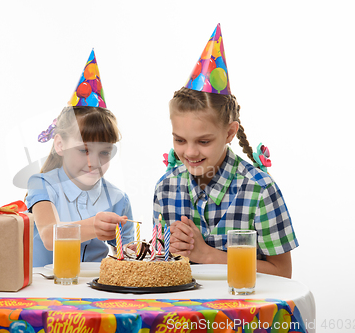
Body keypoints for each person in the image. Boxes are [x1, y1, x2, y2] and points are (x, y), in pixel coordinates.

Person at [153, 24, 298, 278]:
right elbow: (162, 266)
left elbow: (281, 272)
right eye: (180, 140)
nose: (190, 152)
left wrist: (207, 255)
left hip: (246, 313)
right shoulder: (166, 189)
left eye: (204, 141)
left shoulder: (260, 190)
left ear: (230, 133)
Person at [26, 50, 134, 267]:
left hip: (94, 290)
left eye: (104, 152)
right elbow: (49, 236)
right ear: (60, 145)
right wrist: (94, 226)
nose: (94, 162)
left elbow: (128, 255)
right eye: (84, 150)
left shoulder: (118, 199)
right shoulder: (42, 185)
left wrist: (131, 250)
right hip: (45, 288)